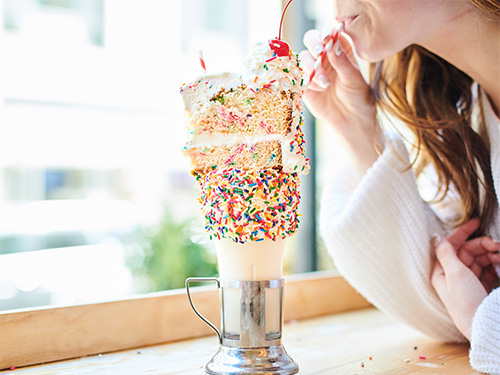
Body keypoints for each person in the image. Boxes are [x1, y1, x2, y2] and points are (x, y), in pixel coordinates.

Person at [299, 0, 500, 373]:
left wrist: (478, 318)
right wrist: (357, 131)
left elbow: (473, 316)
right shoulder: (467, 119)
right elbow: (443, 301)